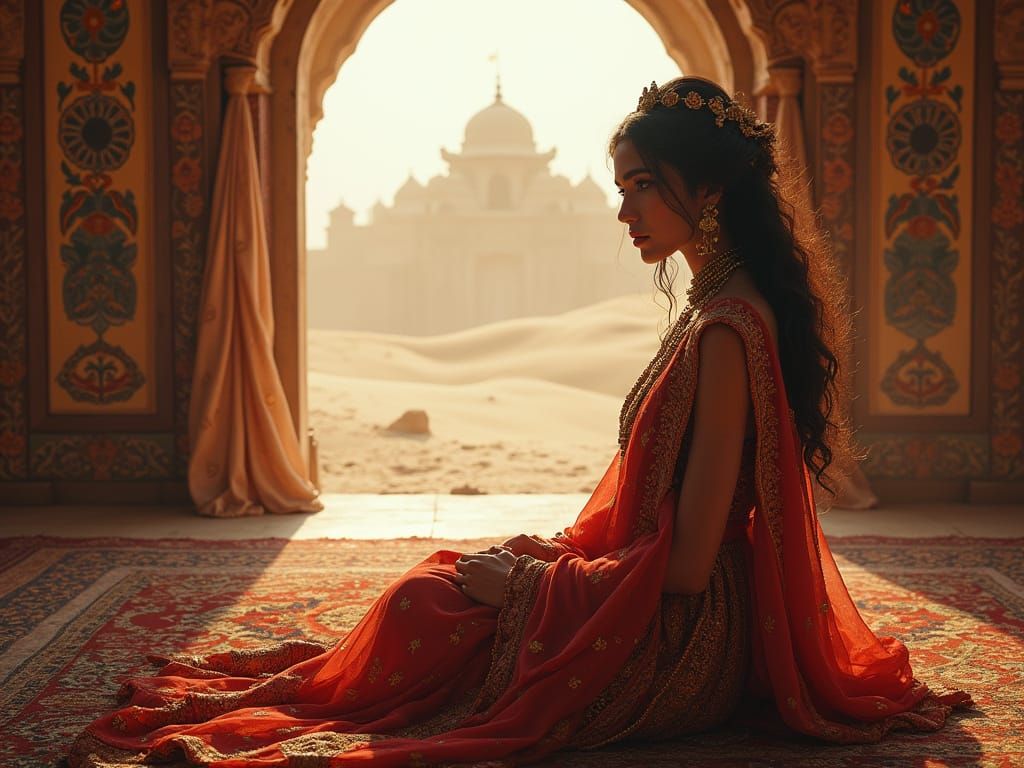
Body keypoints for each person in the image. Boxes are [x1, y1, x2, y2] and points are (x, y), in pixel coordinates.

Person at [68, 76, 970, 768]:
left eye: (642, 186)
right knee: (441, 585)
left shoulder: (728, 330)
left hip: (682, 639)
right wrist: (545, 573)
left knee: (431, 605)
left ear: (707, 191)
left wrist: (536, 588)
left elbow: (692, 565)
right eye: (620, 187)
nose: (623, 210)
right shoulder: (716, 305)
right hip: (650, 595)